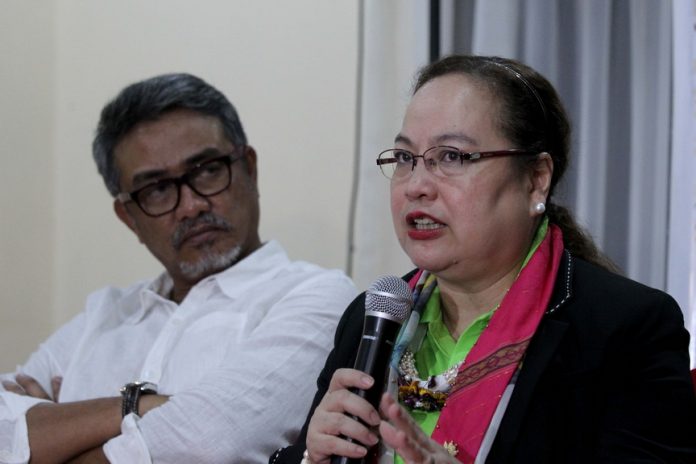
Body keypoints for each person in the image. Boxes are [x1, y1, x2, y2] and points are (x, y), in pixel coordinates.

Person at [269, 55, 696, 464]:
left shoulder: (625, 327)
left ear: (535, 180)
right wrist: (311, 457)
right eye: (404, 159)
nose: (417, 185)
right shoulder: (372, 318)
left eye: (452, 157)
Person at [0, 73, 357, 463]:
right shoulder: (102, 316)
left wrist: (49, 433)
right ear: (129, 217)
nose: (191, 206)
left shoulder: (319, 298)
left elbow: (209, 443)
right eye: (157, 189)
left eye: (207, 170)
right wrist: (142, 406)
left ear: (249, 169)